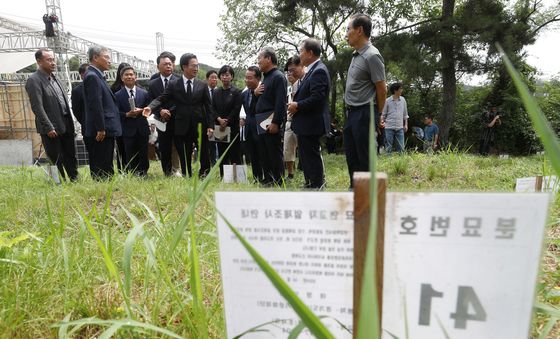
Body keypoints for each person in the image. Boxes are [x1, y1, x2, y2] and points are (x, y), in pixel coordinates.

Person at [143, 53, 214, 178]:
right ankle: (187, 175)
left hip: (199, 125)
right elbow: (161, 98)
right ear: (184, 67)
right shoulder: (174, 84)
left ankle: (204, 174)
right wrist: (150, 107)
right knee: (184, 153)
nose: (196, 68)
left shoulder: (202, 85)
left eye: (197, 66)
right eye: (193, 66)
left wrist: (210, 126)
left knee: (203, 153)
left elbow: (208, 107)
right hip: (182, 125)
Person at [344, 13, 387, 188]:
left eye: (348, 29)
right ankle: (355, 191)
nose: (346, 34)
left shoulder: (372, 55)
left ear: (359, 30)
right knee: (352, 156)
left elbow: (382, 89)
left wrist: (377, 115)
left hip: (365, 112)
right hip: (351, 113)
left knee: (365, 158)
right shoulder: (356, 55)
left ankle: (368, 199)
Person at [25, 48, 78, 181]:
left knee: (70, 154)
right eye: (49, 60)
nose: (53, 62)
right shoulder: (34, 80)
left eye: (53, 59)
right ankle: (57, 182)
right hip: (50, 127)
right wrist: (48, 126)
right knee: (55, 157)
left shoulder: (57, 79)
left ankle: (74, 178)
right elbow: (37, 106)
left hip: (65, 122)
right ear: (39, 61)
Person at [288, 38, 331, 189]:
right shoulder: (312, 70)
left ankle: (317, 184)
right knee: (305, 155)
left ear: (310, 53)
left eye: (301, 51)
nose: (299, 55)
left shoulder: (318, 70)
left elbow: (317, 98)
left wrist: (297, 105)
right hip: (306, 122)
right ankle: (310, 182)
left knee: (311, 155)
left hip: (312, 122)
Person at [83, 46, 122, 180]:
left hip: (105, 127)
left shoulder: (97, 75)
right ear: (95, 58)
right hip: (101, 130)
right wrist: (100, 127)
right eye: (106, 57)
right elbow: (95, 104)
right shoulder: (92, 77)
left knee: (106, 161)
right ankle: (103, 191)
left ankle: (107, 187)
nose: (109, 61)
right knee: (102, 163)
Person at [255, 47, 287, 186]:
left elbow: (280, 102)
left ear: (269, 58)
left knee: (274, 151)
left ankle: (278, 180)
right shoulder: (266, 78)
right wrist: (255, 94)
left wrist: (276, 122)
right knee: (264, 152)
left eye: (260, 58)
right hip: (262, 119)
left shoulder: (278, 77)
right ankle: (268, 179)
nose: (258, 62)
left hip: (271, 119)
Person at [147, 52, 179, 176]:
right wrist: (160, 111)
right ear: (158, 66)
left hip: (176, 118)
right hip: (160, 120)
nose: (168, 66)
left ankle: (177, 170)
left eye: (170, 64)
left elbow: (181, 101)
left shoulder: (179, 81)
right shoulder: (152, 83)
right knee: (164, 146)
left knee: (177, 145)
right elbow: (151, 101)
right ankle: (167, 172)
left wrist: (170, 111)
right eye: (165, 64)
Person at [115, 65, 151, 176]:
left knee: (143, 152)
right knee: (130, 152)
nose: (129, 76)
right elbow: (116, 113)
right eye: (126, 75)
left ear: (135, 77)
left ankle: (144, 173)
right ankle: (133, 173)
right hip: (127, 129)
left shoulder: (144, 93)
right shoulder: (117, 95)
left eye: (131, 74)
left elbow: (150, 109)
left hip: (142, 128)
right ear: (122, 78)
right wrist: (127, 114)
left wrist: (142, 111)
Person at [211, 65, 242, 177]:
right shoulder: (216, 92)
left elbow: (236, 108)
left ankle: (237, 177)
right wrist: (219, 119)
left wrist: (227, 120)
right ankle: (224, 176)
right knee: (222, 152)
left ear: (232, 76)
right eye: (223, 75)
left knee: (235, 152)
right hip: (219, 127)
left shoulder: (237, 92)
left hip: (232, 126)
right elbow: (212, 108)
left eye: (227, 75)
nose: (225, 77)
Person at [240, 66, 264, 183]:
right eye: (246, 78)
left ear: (258, 78)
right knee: (253, 155)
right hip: (248, 128)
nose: (247, 80)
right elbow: (248, 111)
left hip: (261, 127)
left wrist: (255, 95)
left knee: (262, 154)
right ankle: (256, 177)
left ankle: (266, 177)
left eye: (250, 78)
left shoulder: (263, 91)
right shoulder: (244, 94)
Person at [283, 56, 304, 180]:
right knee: (287, 150)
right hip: (288, 122)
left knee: (307, 149)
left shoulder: (302, 84)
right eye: (287, 72)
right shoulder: (287, 89)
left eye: (291, 71)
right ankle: (290, 174)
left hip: (301, 120)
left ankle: (312, 173)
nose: (289, 74)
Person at [110, 62, 131, 173]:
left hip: (133, 122)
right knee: (121, 147)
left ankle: (130, 169)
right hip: (121, 122)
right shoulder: (114, 88)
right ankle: (122, 170)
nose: (129, 76)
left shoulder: (137, 87)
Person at [380, 82, 408, 154]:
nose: (402, 90)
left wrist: (406, 125)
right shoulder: (387, 101)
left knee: (401, 148)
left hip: (400, 127)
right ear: (395, 90)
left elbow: (405, 114)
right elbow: (383, 114)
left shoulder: (403, 100)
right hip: (389, 127)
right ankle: (388, 163)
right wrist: (382, 123)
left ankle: (401, 163)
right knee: (388, 147)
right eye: (400, 89)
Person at [71, 63, 92, 156]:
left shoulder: (101, 86)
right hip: (88, 129)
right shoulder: (77, 91)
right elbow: (76, 110)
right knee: (93, 155)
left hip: (105, 128)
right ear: (82, 75)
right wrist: (85, 121)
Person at [206, 69, 219, 166]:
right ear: (207, 79)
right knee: (208, 145)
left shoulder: (220, 91)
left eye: (216, 78)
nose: (214, 80)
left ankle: (215, 164)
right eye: (212, 77)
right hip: (206, 123)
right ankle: (208, 163)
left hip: (218, 123)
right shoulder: (203, 91)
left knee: (217, 145)